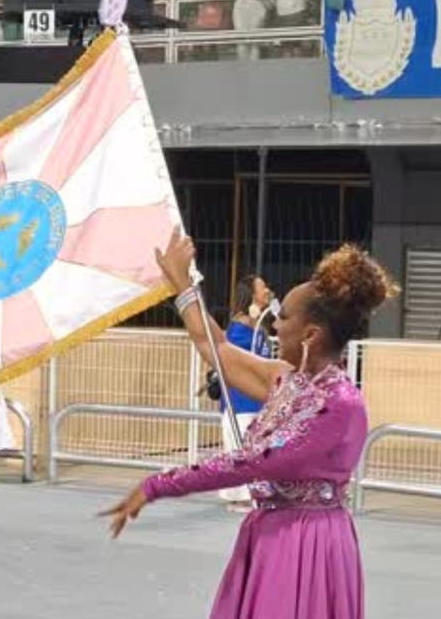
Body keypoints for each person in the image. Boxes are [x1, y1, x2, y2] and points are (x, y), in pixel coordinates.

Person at [101, 230, 397, 619]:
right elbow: (216, 347)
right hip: (272, 533)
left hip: (305, 543)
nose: (275, 326)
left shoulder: (338, 403)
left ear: (310, 334)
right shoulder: (285, 379)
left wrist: (157, 485)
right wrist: (183, 286)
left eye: (283, 317)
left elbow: (253, 462)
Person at [217, 273, 273, 508]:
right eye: (262, 287)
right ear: (251, 295)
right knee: (240, 447)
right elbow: (237, 360)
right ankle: (240, 496)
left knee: (254, 448)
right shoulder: (239, 325)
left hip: (257, 398)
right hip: (240, 400)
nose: (267, 290)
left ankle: (248, 493)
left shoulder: (258, 325)